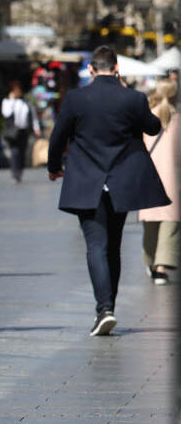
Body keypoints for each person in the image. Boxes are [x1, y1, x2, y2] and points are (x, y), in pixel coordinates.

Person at [47, 46, 170, 336]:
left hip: (86, 181)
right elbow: (153, 128)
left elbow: (58, 136)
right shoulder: (133, 98)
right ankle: (108, 307)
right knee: (113, 245)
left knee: (95, 245)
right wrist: (131, 97)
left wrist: (54, 167)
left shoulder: (76, 99)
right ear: (117, 68)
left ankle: (104, 309)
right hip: (122, 182)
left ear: (91, 69)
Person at [139, 81, 179, 286]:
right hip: (173, 179)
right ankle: (162, 267)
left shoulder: (147, 117)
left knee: (151, 223)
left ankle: (152, 263)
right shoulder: (178, 119)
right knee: (170, 224)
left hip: (149, 178)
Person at [1, 79, 41, 183]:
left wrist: (36, 128)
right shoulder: (7, 101)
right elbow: (6, 113)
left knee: (22, 151)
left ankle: (19, 172)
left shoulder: (26, 102)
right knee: (15, 151)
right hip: (13, 131)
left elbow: (33, 115)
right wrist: (12, 100)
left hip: (24, 130)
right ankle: (15, 173)